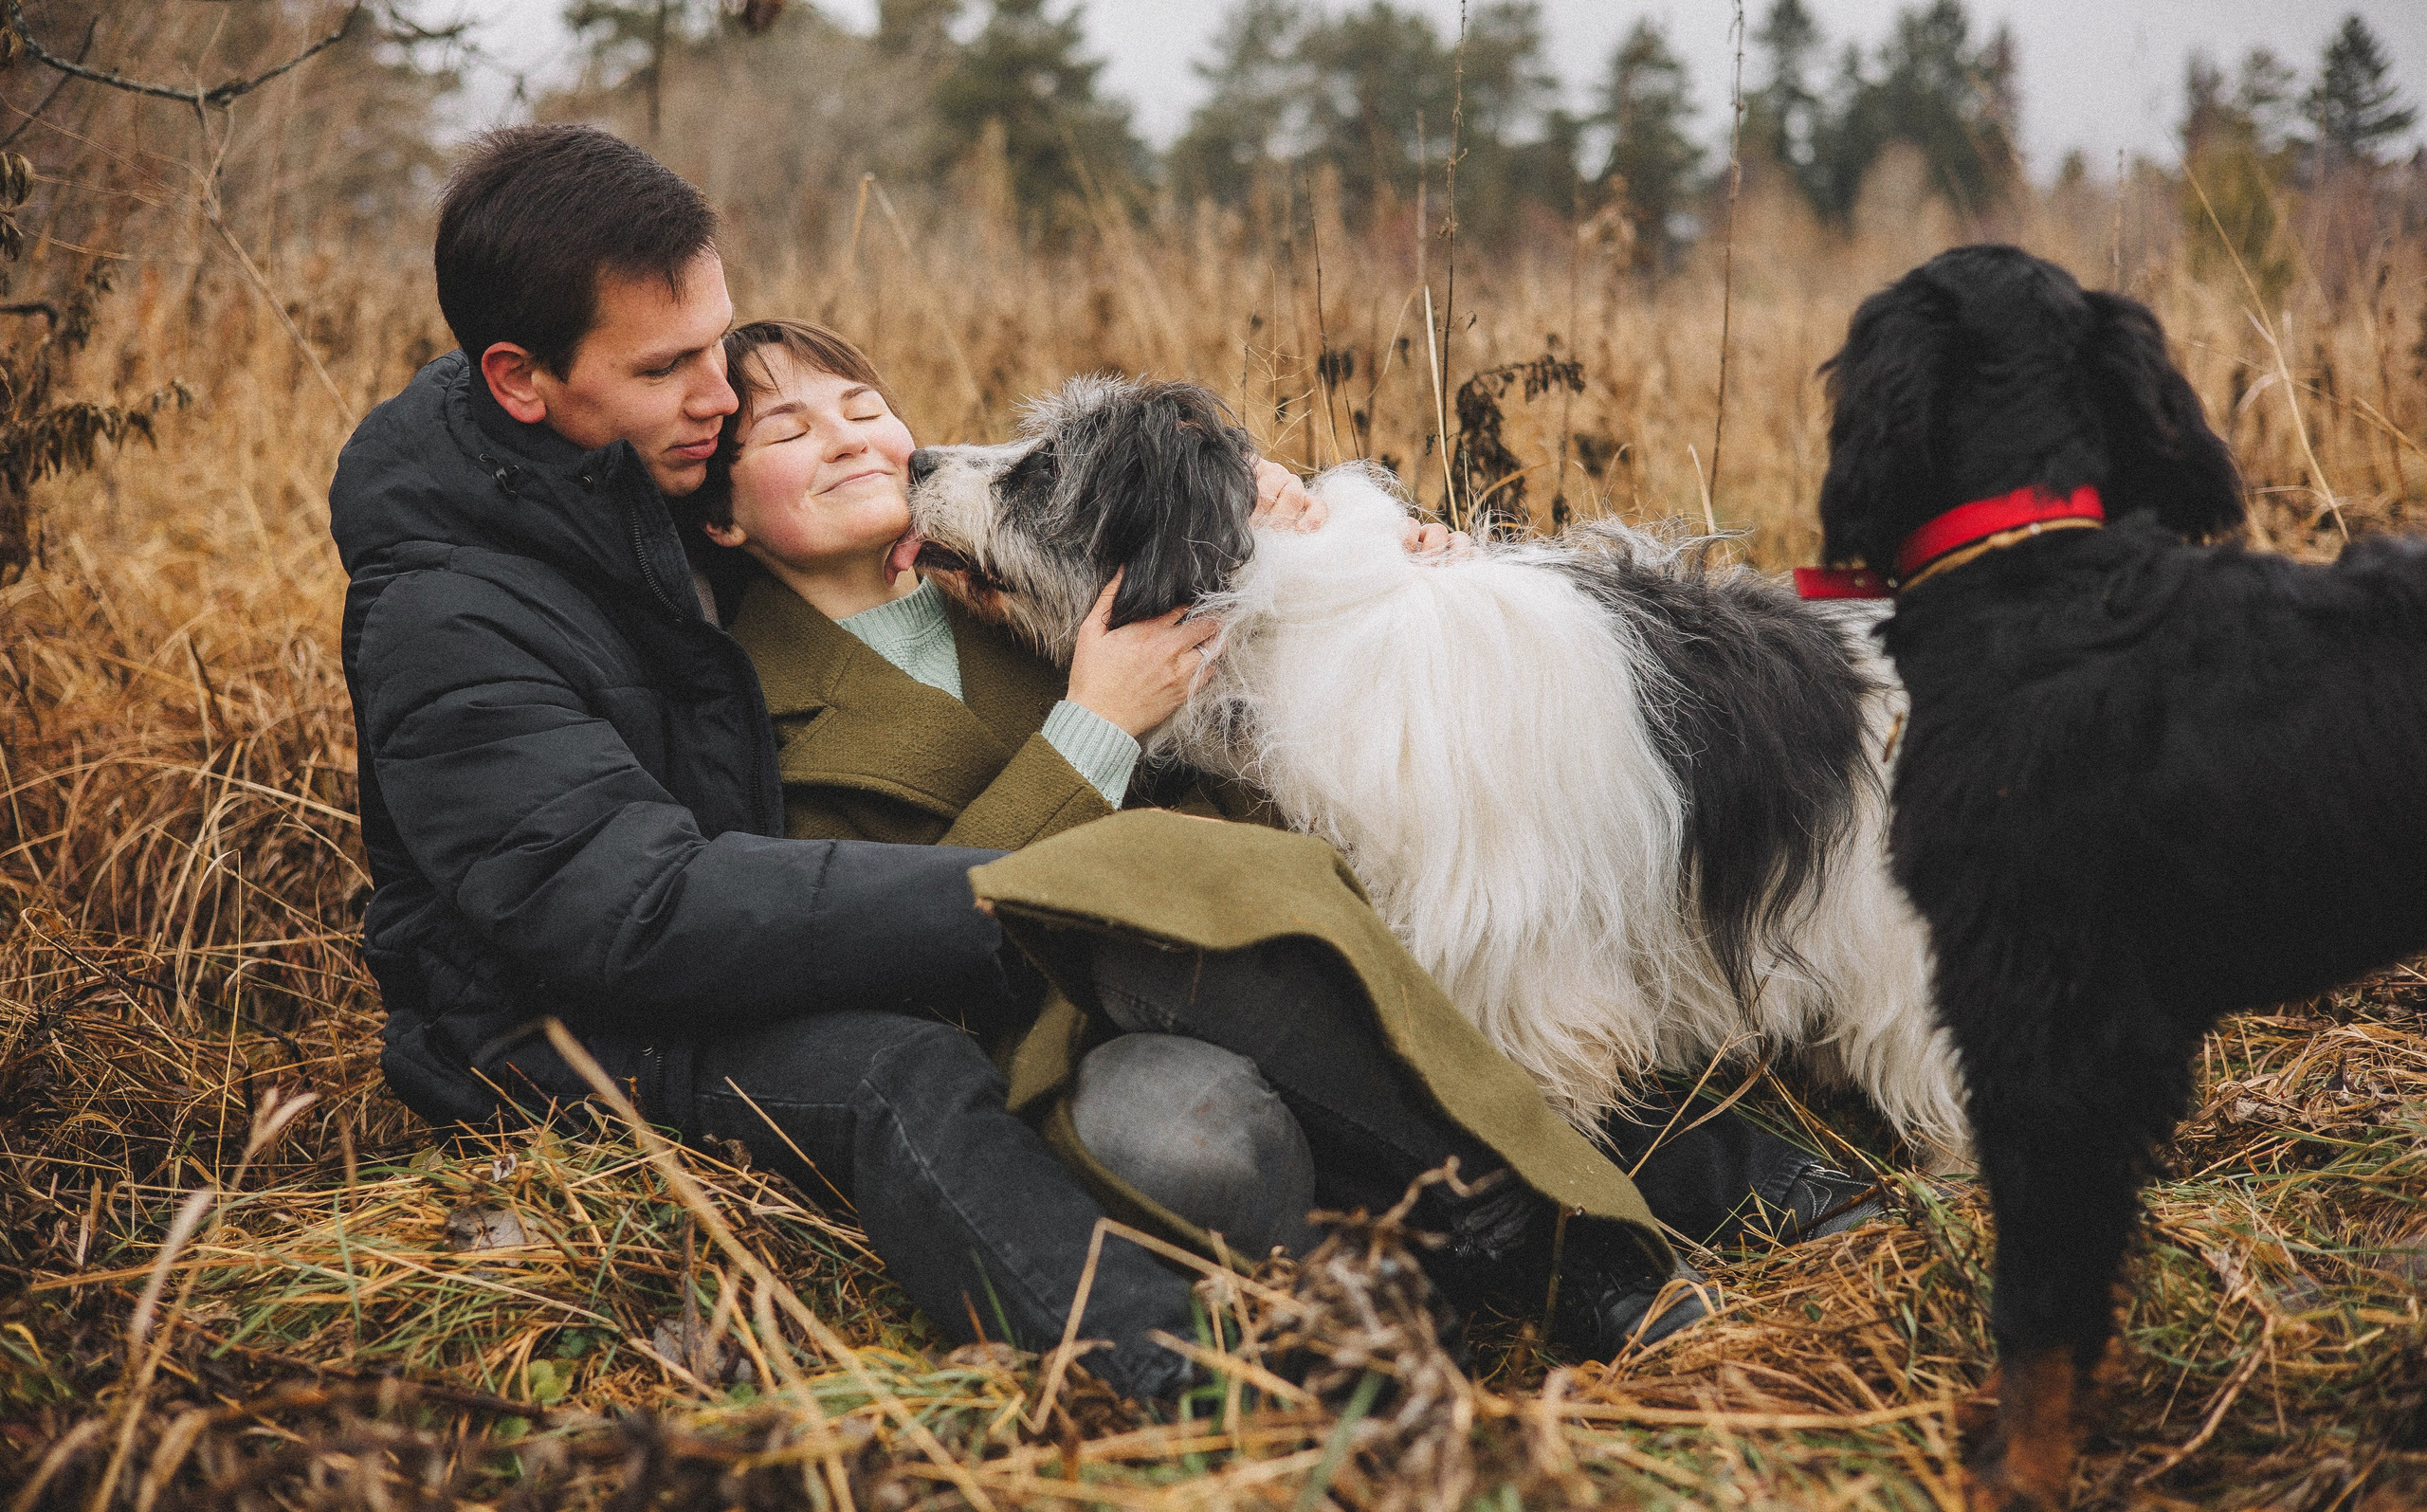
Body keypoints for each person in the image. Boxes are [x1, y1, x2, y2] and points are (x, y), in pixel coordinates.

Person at [326, 124, 1835, 1403]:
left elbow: (1052, 513)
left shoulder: (664, 477)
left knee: (1313, 923)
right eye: (677, 373)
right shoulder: (461, 609)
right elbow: (629, 909)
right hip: (573, 1017)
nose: (720, 397)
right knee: (935, 1062)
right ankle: (1180, 1383)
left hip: (817, 924)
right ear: (525, 383)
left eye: (725, 353)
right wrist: (1048, 865)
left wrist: (1345, 544)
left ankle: (1641, 1218)